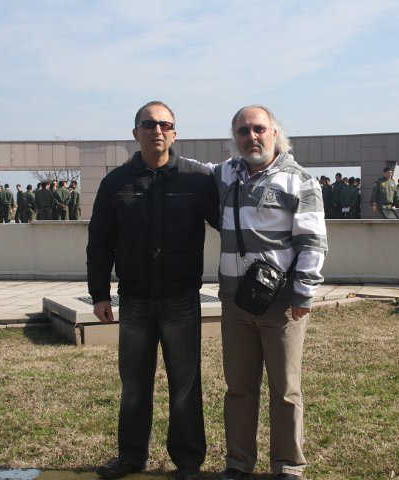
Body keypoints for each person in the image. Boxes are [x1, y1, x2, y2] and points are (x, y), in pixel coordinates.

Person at [87, 101, 219, 480]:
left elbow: (230, 223)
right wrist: (99, 293)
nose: (157, 130)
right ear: (135, 133)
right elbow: (100, 241)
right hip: (134, 300)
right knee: (133, 384)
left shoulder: (196, 180)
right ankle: (131, 456)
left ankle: (188, 461)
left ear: (175, 133)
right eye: (149, 124)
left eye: (165, 124)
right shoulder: (117, 183)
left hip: (181, 298)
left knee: (185, 384)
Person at [211, 105, 327, 480]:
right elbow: (191, 168)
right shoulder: (226, 174)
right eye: (243, 131)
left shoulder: (300, 180)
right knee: (239, 388)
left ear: (274, 133)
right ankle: (238, 463)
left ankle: (289, 466)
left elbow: (312, 243)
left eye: (258, 129)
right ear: (235, 138)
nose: (251, 137)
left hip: (280, 305)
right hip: (234, 300)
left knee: (285, 389)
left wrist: (303, 294)